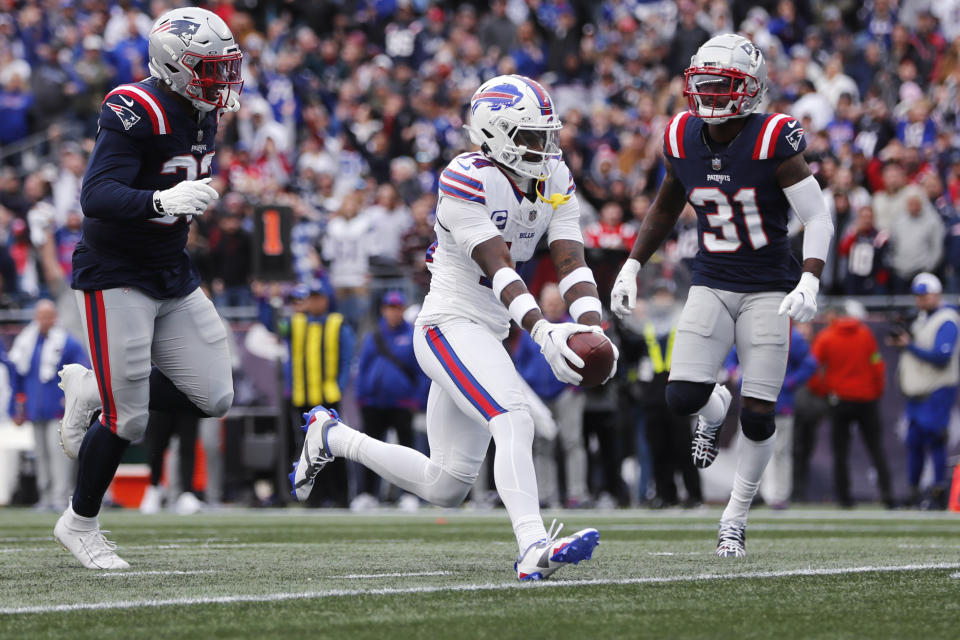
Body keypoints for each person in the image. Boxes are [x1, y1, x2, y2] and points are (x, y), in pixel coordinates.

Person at [292, 74, 615, 581]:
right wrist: (542, 330)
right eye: (530, 136)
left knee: (446, 485)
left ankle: (331, 437)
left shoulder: (553, 176)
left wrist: (591, 327)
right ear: (495, 133)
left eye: (545, 134)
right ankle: (532, 544)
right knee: (514, 417)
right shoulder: (466, 176)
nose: (543, 146)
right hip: (448, 324)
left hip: (487, 331)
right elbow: (500, 267)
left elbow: (572, 260)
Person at [610, 34, 834, 557]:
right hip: (711, 279)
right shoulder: (681, 136)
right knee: (681, 396)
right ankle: (715, 412)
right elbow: (665, 208)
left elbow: (817, 216)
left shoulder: (773, 137)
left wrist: (811, 278)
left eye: (721, 84)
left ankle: (734, 517)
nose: (708, 94)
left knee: (759, 416)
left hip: (768, 288)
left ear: (749, 90)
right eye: (703, 83)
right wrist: (630, 265)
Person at [53, 7, 241, 569]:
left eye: (224, 67)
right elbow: (97, 195)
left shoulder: (203, 112)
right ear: (174, 65)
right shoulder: (137, 106)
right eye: (209, 69)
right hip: (116, 272)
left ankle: (97, 389)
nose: (221, 81)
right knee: (128, 418)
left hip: (170, 269)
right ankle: (79, 523)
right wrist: (159, 201)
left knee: (216, 395)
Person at [512, 283, 589, 509]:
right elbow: (519, 362)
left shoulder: (573, 327)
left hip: (567, 392)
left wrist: (576, 386)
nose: (553, 306)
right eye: (549, 303)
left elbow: (585, 361)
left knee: (572, 441)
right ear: (541, 304)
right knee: (542, 445)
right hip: (538, 395)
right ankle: (545, 494)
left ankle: (577, 493)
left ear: (563, 303)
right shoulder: (531, 330)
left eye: (556, 302)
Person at [809, 304, 894, 508]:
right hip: (866, 399)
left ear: (833, 315)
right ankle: (888, 495)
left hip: (840, 400)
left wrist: (822, 391)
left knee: (840, 452)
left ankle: (844, 498)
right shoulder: (865, 334)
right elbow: (877, 365)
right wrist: (876, 391)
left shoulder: (827, 337)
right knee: (876, 449)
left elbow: (812, 368)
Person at [725, 323, 818, 509]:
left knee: (780, 451)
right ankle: (750, 493)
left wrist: (790, 382)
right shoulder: (751, 332)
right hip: (751, 400)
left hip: (779, 403)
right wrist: (734, 373)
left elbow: (809, 364)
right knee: (748, 449)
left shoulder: (792, 337)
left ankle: (779, 495)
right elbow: (731, 359)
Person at [7, 300, 89, 511]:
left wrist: (70, 399)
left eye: (48, 316)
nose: (45, 320)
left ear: (55, 317)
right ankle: (45, 495)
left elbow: (80, 372)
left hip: (57, 409)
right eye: (41, 316)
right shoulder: (27, 343)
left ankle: (60, 495)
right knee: (41, 454)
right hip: (35, 409)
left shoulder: (68, 343)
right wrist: (17, 406)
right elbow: (19, 376)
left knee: (58, 453)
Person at [890, 273, 959, 509]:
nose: (920, 300)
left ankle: (938, 492)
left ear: (937, 294)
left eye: (925, 295)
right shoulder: (920, 319)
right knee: (914, 443)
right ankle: (914, 492)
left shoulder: (947, 320)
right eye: (918, 295)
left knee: (935, 440)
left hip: (937, 390)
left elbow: (941, 357)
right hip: (916, 393)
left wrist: (910, 346)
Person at [354, 290, 424, 509]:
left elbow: (422, 371)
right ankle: (367, 494)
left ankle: (409, 494)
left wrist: (416, 399)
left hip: (401, 403)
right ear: (384, 310)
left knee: (407, 451)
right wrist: (361, 396)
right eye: (389, 308)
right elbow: (363, 368)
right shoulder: (374, 337)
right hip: (374, 403)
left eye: (396, 308)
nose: (393, 312)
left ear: (402, 310)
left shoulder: (412, 336)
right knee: (369, 452)